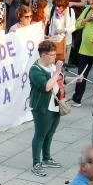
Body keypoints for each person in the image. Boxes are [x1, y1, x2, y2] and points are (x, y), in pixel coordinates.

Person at [28, 40, 65, 177]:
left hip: (55, 105)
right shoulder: (35, 70)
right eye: (52, 55)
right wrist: (58, 71)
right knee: (40, 134)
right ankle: (36, 163)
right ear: (43, 54)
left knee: (50, 133)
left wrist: (75, 79)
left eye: (55, 54)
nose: (55, 58)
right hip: (42, 107)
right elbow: (46, 86)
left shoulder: (51, 66)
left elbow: (58, 80)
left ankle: (47, 158)